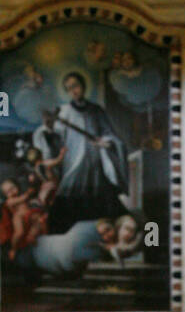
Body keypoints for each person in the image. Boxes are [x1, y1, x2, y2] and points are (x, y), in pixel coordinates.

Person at [49, 71, 129, 234]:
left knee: (101, 196)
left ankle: (105, 234)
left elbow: (109, 133)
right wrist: (52, 127)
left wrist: (104, 141)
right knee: (69, 192)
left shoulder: (96, 110)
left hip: (95, 159)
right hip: (73, 160)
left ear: (83, 86)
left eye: (76, 86)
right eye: (69, 88)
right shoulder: (64, 112)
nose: (74, 90)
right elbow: (56, 136)